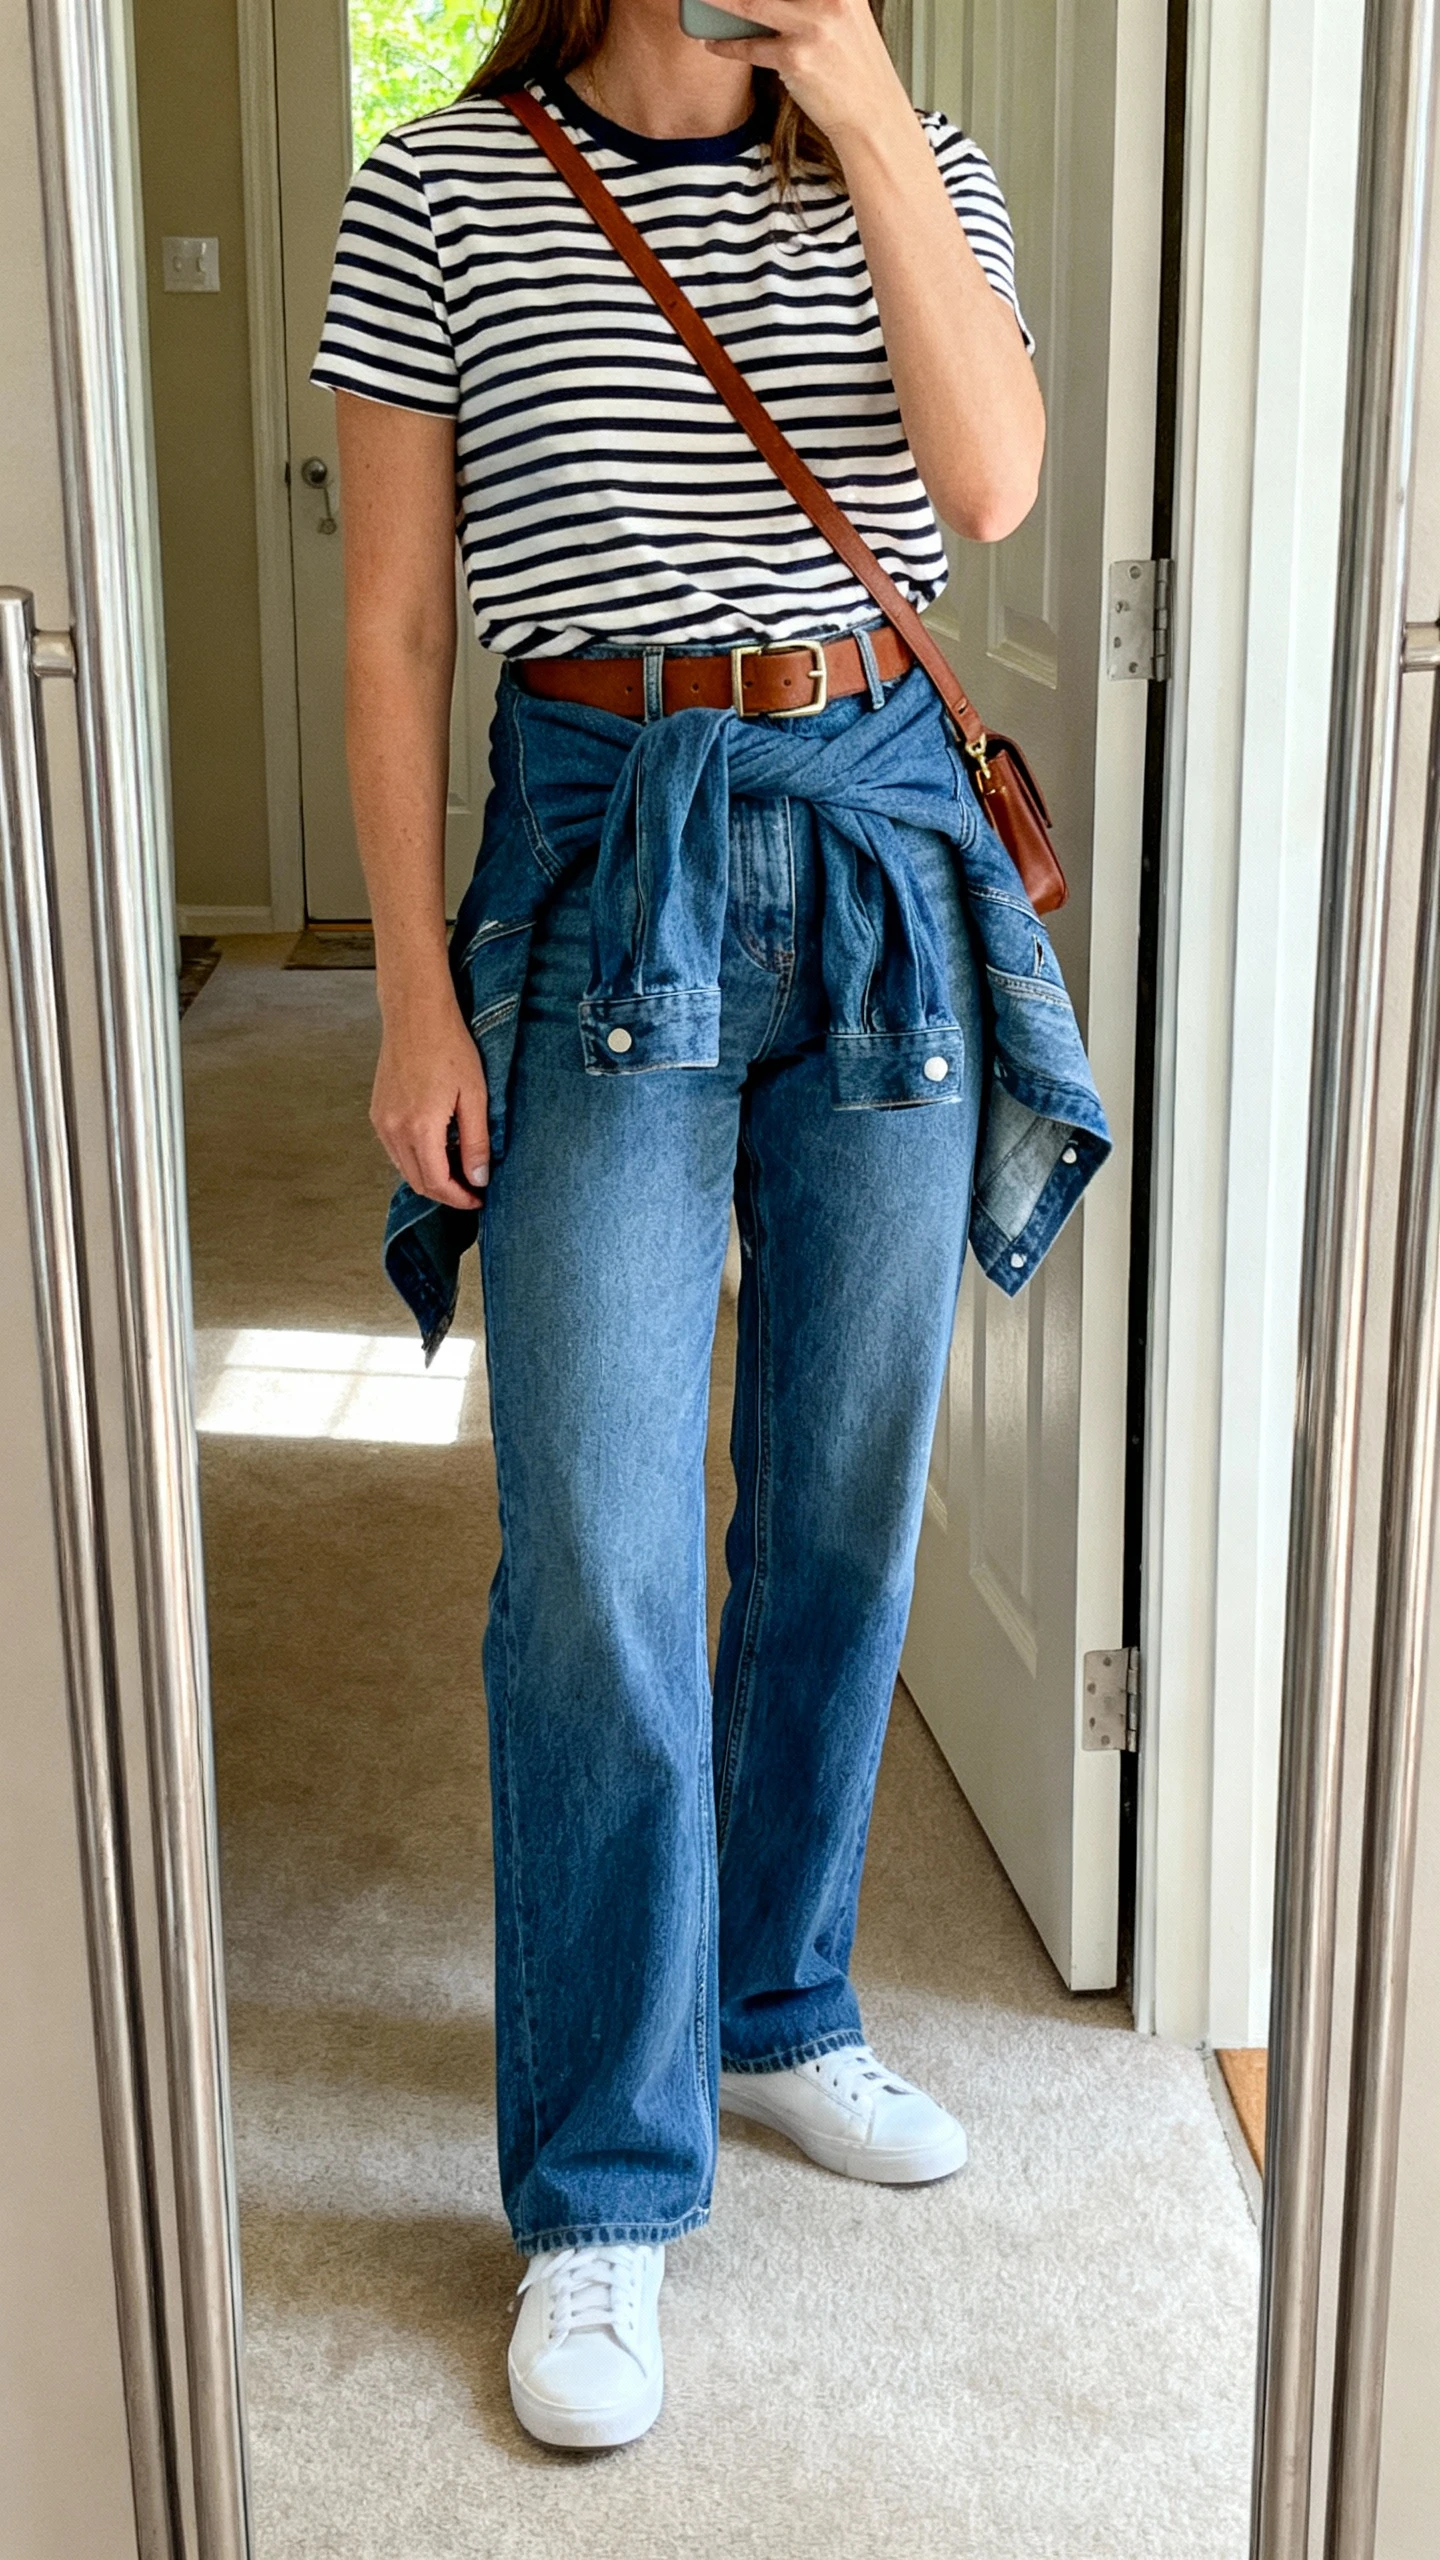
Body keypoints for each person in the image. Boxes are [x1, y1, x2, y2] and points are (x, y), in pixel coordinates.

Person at [313, 0, 1106, 2452]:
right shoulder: (437, 192)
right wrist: (411, 995)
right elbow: (394, 626)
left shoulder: (915, 156)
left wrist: (858, 111)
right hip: (595, 856)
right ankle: (599, 2176)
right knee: (598, 1544)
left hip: (877, 846)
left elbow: (990, 488)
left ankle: (779, 2002)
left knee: (845, 1505)